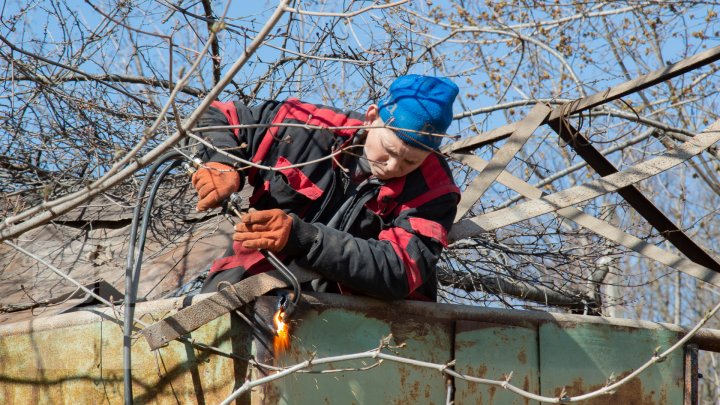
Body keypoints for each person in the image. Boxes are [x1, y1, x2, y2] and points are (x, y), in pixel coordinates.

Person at [191, 75, 460, 301]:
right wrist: (222, 161)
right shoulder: (305, 126)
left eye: (410, 161)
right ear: (371, 117)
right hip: (251, 280)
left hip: (359, 315)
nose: (392, 166)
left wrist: (305, 238)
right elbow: (217, 114)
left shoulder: (435, 189)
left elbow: (399, 269)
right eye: (389, 150)